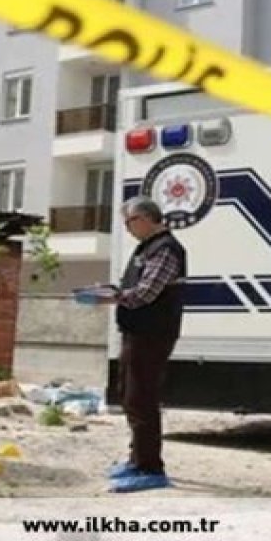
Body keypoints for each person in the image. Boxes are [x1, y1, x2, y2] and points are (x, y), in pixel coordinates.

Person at [89, 196, 187, 493]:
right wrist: (112, 291)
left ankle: (150, 468)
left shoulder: (166, 249)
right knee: (131, 396)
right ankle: (137, 460)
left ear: (144, 218)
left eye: (129, 222)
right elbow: (135, 287)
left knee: (143, 398)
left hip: (152, 334)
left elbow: (146, 293)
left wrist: (112, 297)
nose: (127, 228)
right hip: (136, 332)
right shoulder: (146, 248)